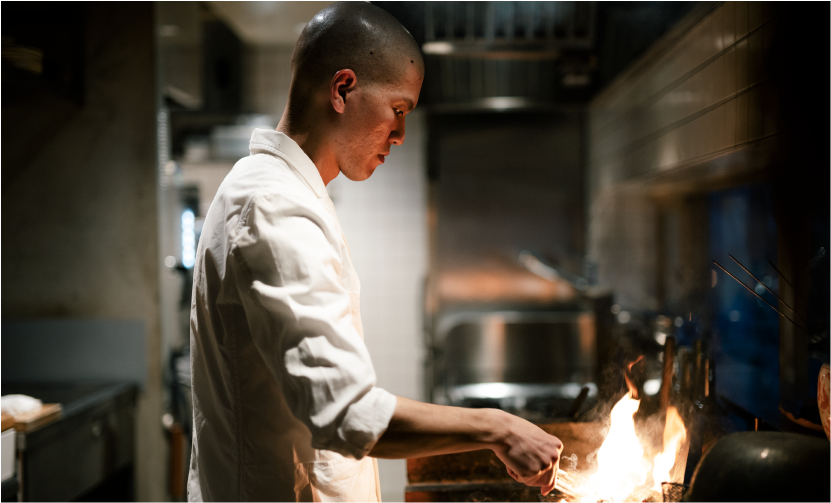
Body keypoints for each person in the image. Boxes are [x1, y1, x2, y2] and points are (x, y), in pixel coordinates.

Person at [187, 3, 563, 502]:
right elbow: (347, 414)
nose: (401, 136)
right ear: (343, 89)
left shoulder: (286, 194)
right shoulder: (273, 207)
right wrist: (498, 428)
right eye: (399, 111)